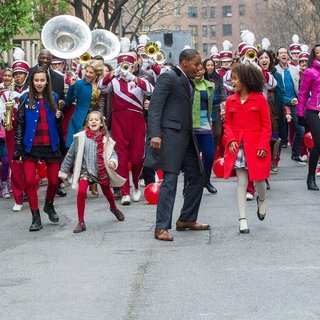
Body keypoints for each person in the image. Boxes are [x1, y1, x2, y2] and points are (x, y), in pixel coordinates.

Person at [144, 48, 210, 241]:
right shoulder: (168, 77)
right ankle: (161, 227)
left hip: (187, 136)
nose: (199, 68)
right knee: (170, 181)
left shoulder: (188, 80)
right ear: (185, 62)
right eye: (196, 64)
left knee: (198, 176)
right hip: (170, 136)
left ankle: (187, 219)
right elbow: (155, 106)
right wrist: (154, 134)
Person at [99, 52, 154, 206]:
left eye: (128, 65)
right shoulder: (113, 82)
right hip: (119, 122)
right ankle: (125, 192)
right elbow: (101, 86)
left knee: (137, 158)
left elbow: (151, 90)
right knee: (121, 157)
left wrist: (133, 78)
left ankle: (136, 185)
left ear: (133, 65)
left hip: (137, 122)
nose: (125, 68)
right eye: (123, 65)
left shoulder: (140, 80)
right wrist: (112, 73)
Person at [223, 64, 272, 234]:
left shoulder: (259, 99)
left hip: (257, 146)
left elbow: (267, 126)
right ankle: (242, 219)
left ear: (245, 80)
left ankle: (262, 199)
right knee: (241, 182)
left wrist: (263, 145)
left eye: (235, 79)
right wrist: (229, 140)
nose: (232, 82)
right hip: (238, 147)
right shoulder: (231, 100)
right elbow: (227, 124)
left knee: (259, 181)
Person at [58, 111, 126, 233]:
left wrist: (112, 162)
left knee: (107, 192)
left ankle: (113, 208)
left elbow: (113, 154)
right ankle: (81, 222)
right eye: (91, 120)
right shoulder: (80, 137)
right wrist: (63, 172)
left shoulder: (106, 139)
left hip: (101, 171)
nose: (93, 121)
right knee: (81, 192)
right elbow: (70, 155)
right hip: (86, 171)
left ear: (101, 123)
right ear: (87, 123)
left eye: (96, 120)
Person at [13, 67, 62, 231]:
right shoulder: (25, 99)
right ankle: (35, 217)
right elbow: (20, 124)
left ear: (47, 81)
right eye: (36, 80)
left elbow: (57, 124)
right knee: (28, 181)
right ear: (31, 81)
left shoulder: (54, 97)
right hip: (30, 145)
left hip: (50, 144)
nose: (39, 83)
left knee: (54, 181)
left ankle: (49, 204)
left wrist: (59, 117)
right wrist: (18, 149)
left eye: (42, 80)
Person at [65, 59, 105, 196]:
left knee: (96, 150)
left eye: (90, 72)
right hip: (82, 120)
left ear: (97, 73)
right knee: (82, 152)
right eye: (86, 71)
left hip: (97, 119)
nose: (87, 74)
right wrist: (71, 86)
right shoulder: (80, 84)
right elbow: (68, 100)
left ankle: (94, 183)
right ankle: (82, 181)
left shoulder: (102, 85)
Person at [0, 67, 25, 210]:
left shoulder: (30, 90)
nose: (17, 77)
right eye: (15, 74)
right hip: (11, 133)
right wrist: (6, 117)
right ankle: (18, 197)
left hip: (28, 132)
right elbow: (2, 118)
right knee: (14, 164)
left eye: (20, 74)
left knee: (28, 164)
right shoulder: (4, 95)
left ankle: (29, 190)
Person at [275, 47, 305, 164]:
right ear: (277, 56)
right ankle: (275, 159)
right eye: (280, 53)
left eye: (285, 53)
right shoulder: (275, 71)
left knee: (300, 130)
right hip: (280, 102)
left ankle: (295, 154)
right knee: (280, 133)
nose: (283, 55)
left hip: (294, 102)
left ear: (288, 56)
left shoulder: (294, 70)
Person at [297, 44, 320, 191]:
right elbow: (303, 93)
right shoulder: (311, 72)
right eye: (318, 52)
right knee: (318, 142)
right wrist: (300, 113)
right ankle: (310, 177)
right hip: (314, 110)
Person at [192, 62, 217, 194]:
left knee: (209, 155)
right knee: (192, 158)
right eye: (195, 69)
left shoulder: (209, 85)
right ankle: (191, 185)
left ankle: (206, 180)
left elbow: (211, 104)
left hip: (205, 123)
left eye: (200, 69)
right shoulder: (187, 84)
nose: (198, 72)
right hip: (191, 125)